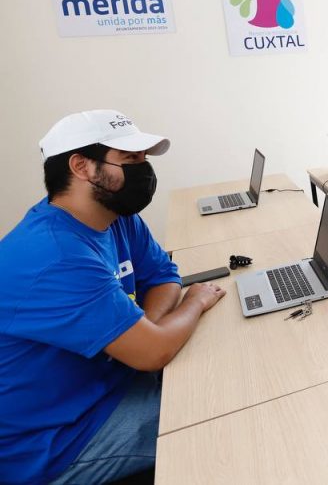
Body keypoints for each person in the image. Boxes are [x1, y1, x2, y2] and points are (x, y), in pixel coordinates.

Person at [0, 110, 226, 484]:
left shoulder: (115, 215)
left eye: (144, 158)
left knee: (222, 373)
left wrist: (149, 330)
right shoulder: (56, 256)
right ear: (81, 166)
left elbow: (163, 276)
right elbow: (153, 353)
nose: (143, 169)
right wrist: (195, 302)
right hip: (57, 443)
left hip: (107, 387)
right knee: (219, 419)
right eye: (130, 159)